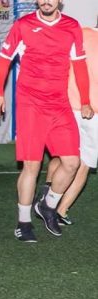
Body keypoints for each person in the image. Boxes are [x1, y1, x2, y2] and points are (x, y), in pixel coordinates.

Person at [0, 0, 93, 242]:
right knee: (32, 166)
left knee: (72, 162)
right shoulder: (23, 26)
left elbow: (79, 66)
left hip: (59, 104)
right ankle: (24, 222)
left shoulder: (71, 26)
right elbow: (4, 59)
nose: (46, 0)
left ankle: (47, 205)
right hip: (31, 105)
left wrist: (85, 100)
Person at [36, 20, 98, 227]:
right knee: (83, 164)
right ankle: (57, 209)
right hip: (91, 112)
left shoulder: (78, 33)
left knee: (65, 157)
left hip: (66, 106)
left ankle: (48, 195)